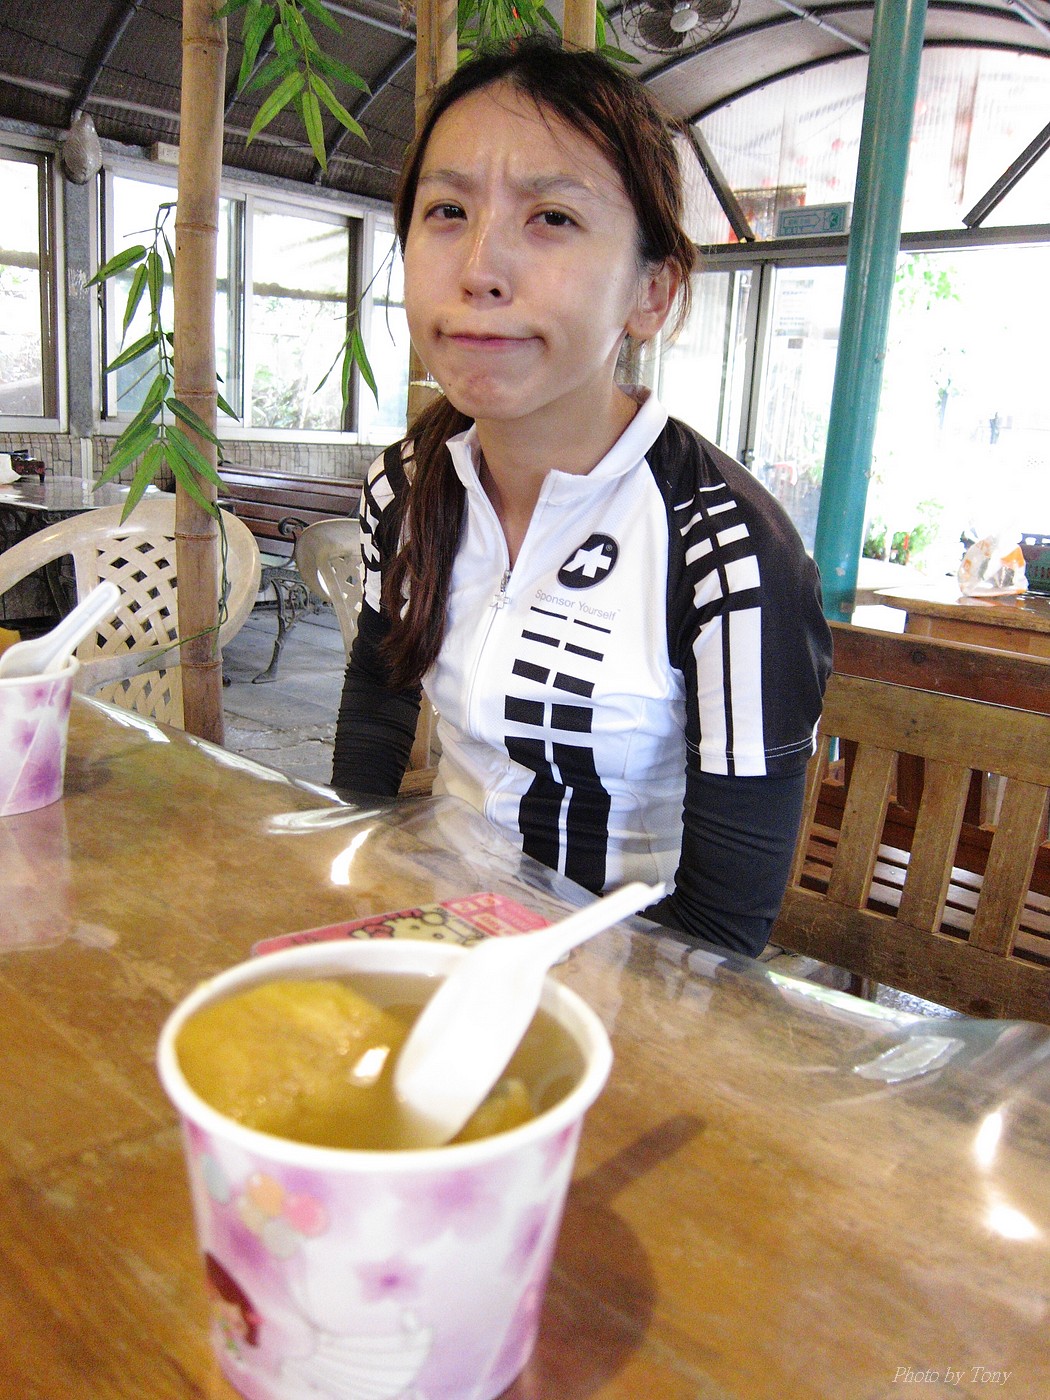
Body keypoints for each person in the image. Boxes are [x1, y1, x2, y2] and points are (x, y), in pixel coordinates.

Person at [332, 38, 832, 958]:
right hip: (438, 932)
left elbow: (724, 928)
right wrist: (352, 895)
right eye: (448, 211)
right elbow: (377, 693)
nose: (479, 267)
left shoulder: (725, 549)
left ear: (652, 291)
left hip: (629, 980)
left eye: (552, 218)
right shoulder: (404, 486)